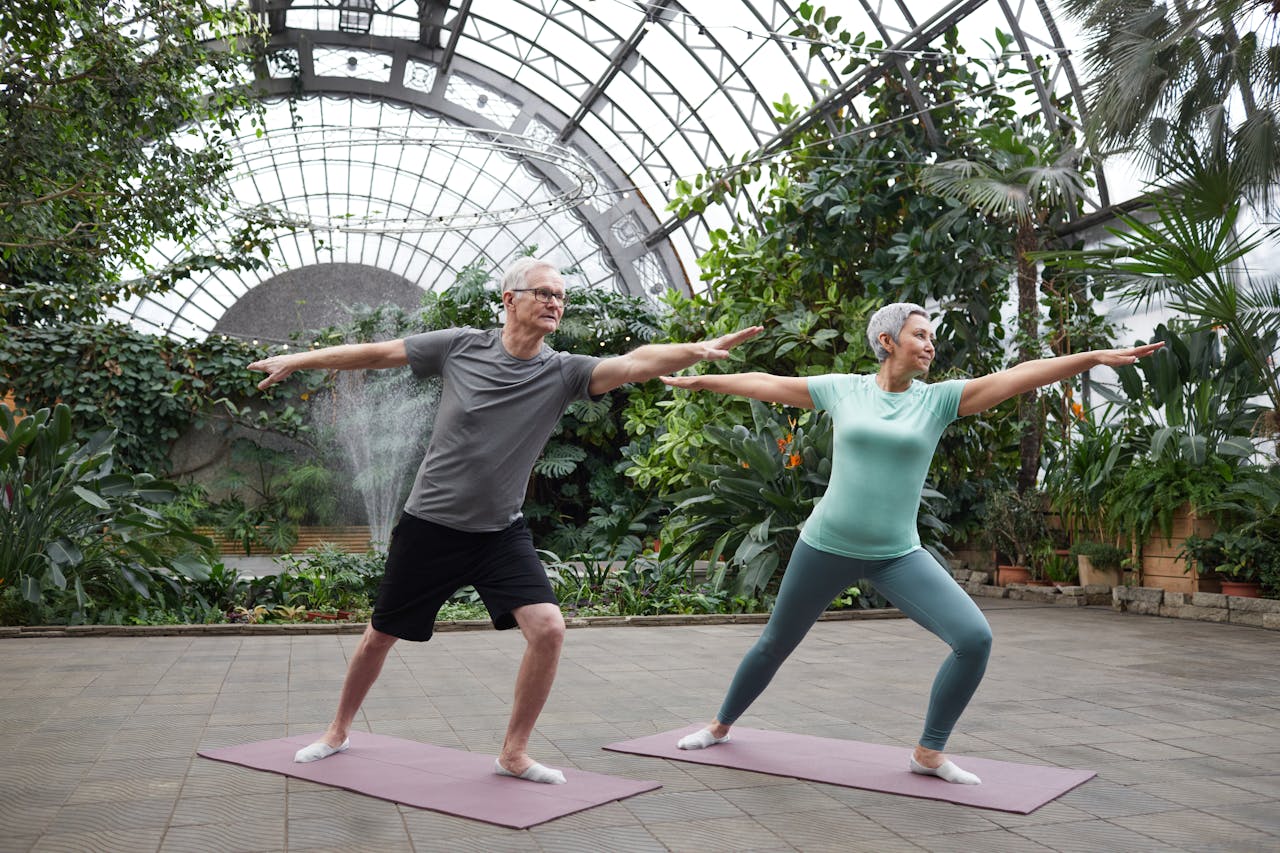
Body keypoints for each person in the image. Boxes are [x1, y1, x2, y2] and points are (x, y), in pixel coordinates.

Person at [248, 257, 761, 784]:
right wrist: (302, 360)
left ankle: (513, 753)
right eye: (543, 293)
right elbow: (379, 353)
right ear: (509, 299)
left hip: (500, 532)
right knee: (380, 634)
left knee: (549, 629)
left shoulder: (564, 371)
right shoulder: (461, 346)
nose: (554, 303)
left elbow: (633, 362)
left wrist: (697, 350)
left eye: (560, 297)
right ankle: (336, 731)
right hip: (430, 525)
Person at [661, 302, 1163, 785]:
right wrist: (703, 377)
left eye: (932, 337)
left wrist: (1091, 357)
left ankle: (929, 751)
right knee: (775, 643)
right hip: (825, 545)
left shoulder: (939, 400)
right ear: (886, 341)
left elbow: (1020, 375)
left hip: (897, 555)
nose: (930, 345)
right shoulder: (845, 390)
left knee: (974, 639)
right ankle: (720, 725)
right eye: (920, 335)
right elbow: (768, 384)